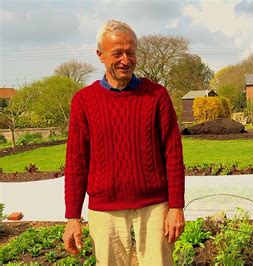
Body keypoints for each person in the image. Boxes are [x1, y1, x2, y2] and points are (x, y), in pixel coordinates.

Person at [62, 20, 185, 265]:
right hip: (104, 208)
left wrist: (176, 206)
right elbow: (76, 161)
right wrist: (72, 217)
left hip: (154, 206)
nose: (125, 60)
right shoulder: (84, 101)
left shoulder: (156, 95)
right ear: (100, 55)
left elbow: (173, 154)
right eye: (117, 53)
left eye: (131, 52)